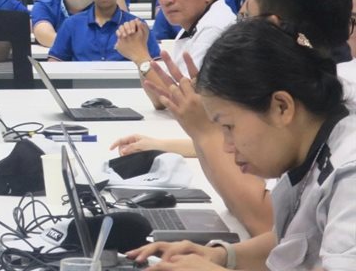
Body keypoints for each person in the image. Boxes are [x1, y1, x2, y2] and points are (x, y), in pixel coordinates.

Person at [113, 0, 354, 237]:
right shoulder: (318, 91)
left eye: (246, 19)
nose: (240, 25)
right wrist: (225, 255)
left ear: (271, 27)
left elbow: (267, 222)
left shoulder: (335, 142)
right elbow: (293, 236)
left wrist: (206, 131)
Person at [124, 19, 356, 271]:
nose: (227, 146)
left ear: (281, 107)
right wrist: (222, 256)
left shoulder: (349, 176)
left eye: (228, 126)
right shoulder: (312, 144)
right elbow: (297, 243)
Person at [116, 0, 235, 110]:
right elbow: (159, 100)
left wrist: (140, 56)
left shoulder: (215, 28)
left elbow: (184, 106)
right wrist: (142, 50)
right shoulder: (193, 25)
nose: (166, 0)